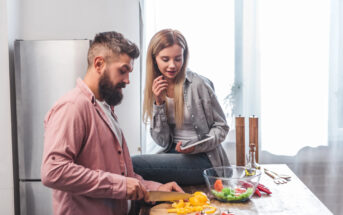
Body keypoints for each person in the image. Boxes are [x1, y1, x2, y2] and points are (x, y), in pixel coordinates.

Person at [41, 31, 183, 215]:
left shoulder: (104, 109)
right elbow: (53, 171)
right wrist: (120, 185)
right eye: (122, 70)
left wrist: (155, 188)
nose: (127, 80)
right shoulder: (73, 106)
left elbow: (122, 177)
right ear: (99, 64)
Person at [132, 29, 230, 186]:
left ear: (184, 57)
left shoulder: (199, 84)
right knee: (133, 172)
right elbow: (162, 141)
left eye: (178, 59)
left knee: (133, 164)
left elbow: (222, 127)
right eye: (165, 59)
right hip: (173, 154)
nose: (172, 65)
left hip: (203, 159)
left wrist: (195, 146)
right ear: (154, 59)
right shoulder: (156, 87)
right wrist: (158, 103)